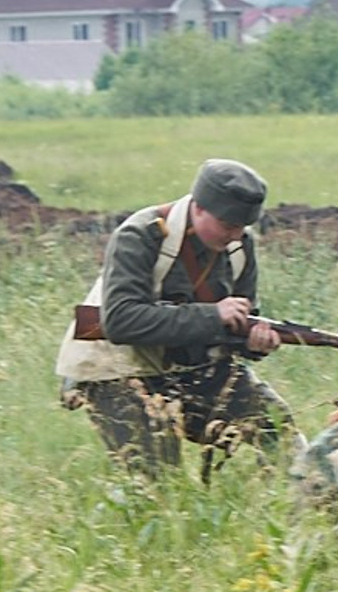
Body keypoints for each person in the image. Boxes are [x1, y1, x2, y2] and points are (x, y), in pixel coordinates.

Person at [54, 157, 290, 475]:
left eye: (242, 227)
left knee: (279, 429)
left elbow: (237, 321)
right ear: (200, 207)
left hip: (188, 365)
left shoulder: (239, 247)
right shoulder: (140, 235)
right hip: (116, 368)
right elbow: (121, 321)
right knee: (160, 485)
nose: (235, 236)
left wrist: (253, 343)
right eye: (228, 225)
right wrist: (213, 315)